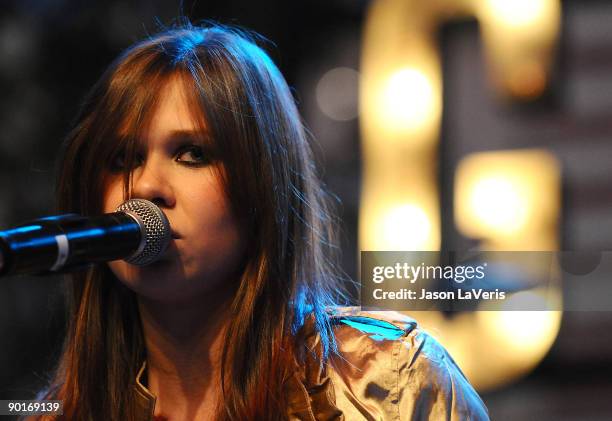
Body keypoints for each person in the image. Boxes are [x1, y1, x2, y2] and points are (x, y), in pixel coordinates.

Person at [30, 23, 489, 420]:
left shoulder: (391, 380)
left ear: (261, 186)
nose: (147, 187)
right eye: (122, 159)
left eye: (193, 154)